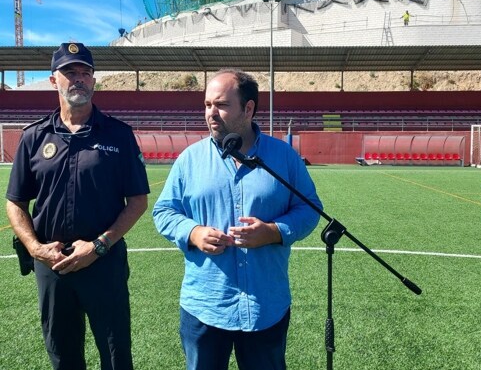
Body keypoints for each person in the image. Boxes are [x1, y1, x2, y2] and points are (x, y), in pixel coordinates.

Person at [152, 69, 322, 370]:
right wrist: (193, 232)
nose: (211, 113)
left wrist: (273, 231)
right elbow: (164, 211)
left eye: (221, 105)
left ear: (248, 109)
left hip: (265, 305)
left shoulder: (283, 157)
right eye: (207, 105)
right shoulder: (189, 160)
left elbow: (310, 210)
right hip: (205, 306)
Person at [5, 42, 150, 370]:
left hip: (104, 262)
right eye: (70, 73)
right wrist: (35, 248)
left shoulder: (118, 134)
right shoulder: (34, 137)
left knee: (115, 355)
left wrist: (99, 245)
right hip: (52, 266)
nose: (79, 79)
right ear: (54, 80)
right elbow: (16, 202)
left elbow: (138, 201)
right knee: (63, 354)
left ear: (94, 80)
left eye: (86, 72)